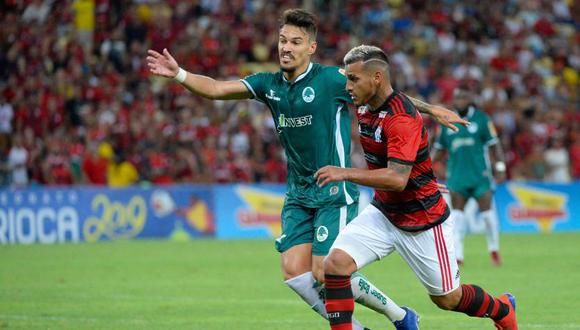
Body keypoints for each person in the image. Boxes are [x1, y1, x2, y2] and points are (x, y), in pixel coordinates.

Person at [147, 9, 467, 329]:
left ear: (310, 48)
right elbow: (217, 89)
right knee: (294, 271)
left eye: (296, 42)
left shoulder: (330, 80)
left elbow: (381, 93)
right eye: (283, 40)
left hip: (333, 191)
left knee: (323, 270)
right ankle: (389, 320)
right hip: (298, 193)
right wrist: (179, 74)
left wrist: (431, 109)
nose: (286, 47)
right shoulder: (268, 84)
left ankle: (397, 314)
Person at [315, 45, 517, 330]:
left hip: (422, 220)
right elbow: (394, 95)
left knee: (448, 299)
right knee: (334, 266)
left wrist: (343, 173)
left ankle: (502, 308)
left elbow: (398, 179)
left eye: (353, 79)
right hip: (384, 213)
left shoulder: (402, 120)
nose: (346, 86)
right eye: (347, 78)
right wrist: (433, 108)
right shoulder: (366, 93)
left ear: (376, 78)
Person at [431, 85, 507, 266]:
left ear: (470, 99)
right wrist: (428, 168)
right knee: (457, 216)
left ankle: (494, 249)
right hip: (457, 177)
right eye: (458, 98)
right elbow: (438, 150)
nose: (461, 101)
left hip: (481, 176)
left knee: (488, 215)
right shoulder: (446, 120)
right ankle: (458, 255)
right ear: (454, 100)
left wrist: (501, 167)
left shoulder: (481, 119)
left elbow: (494, 145)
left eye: (464, 98)